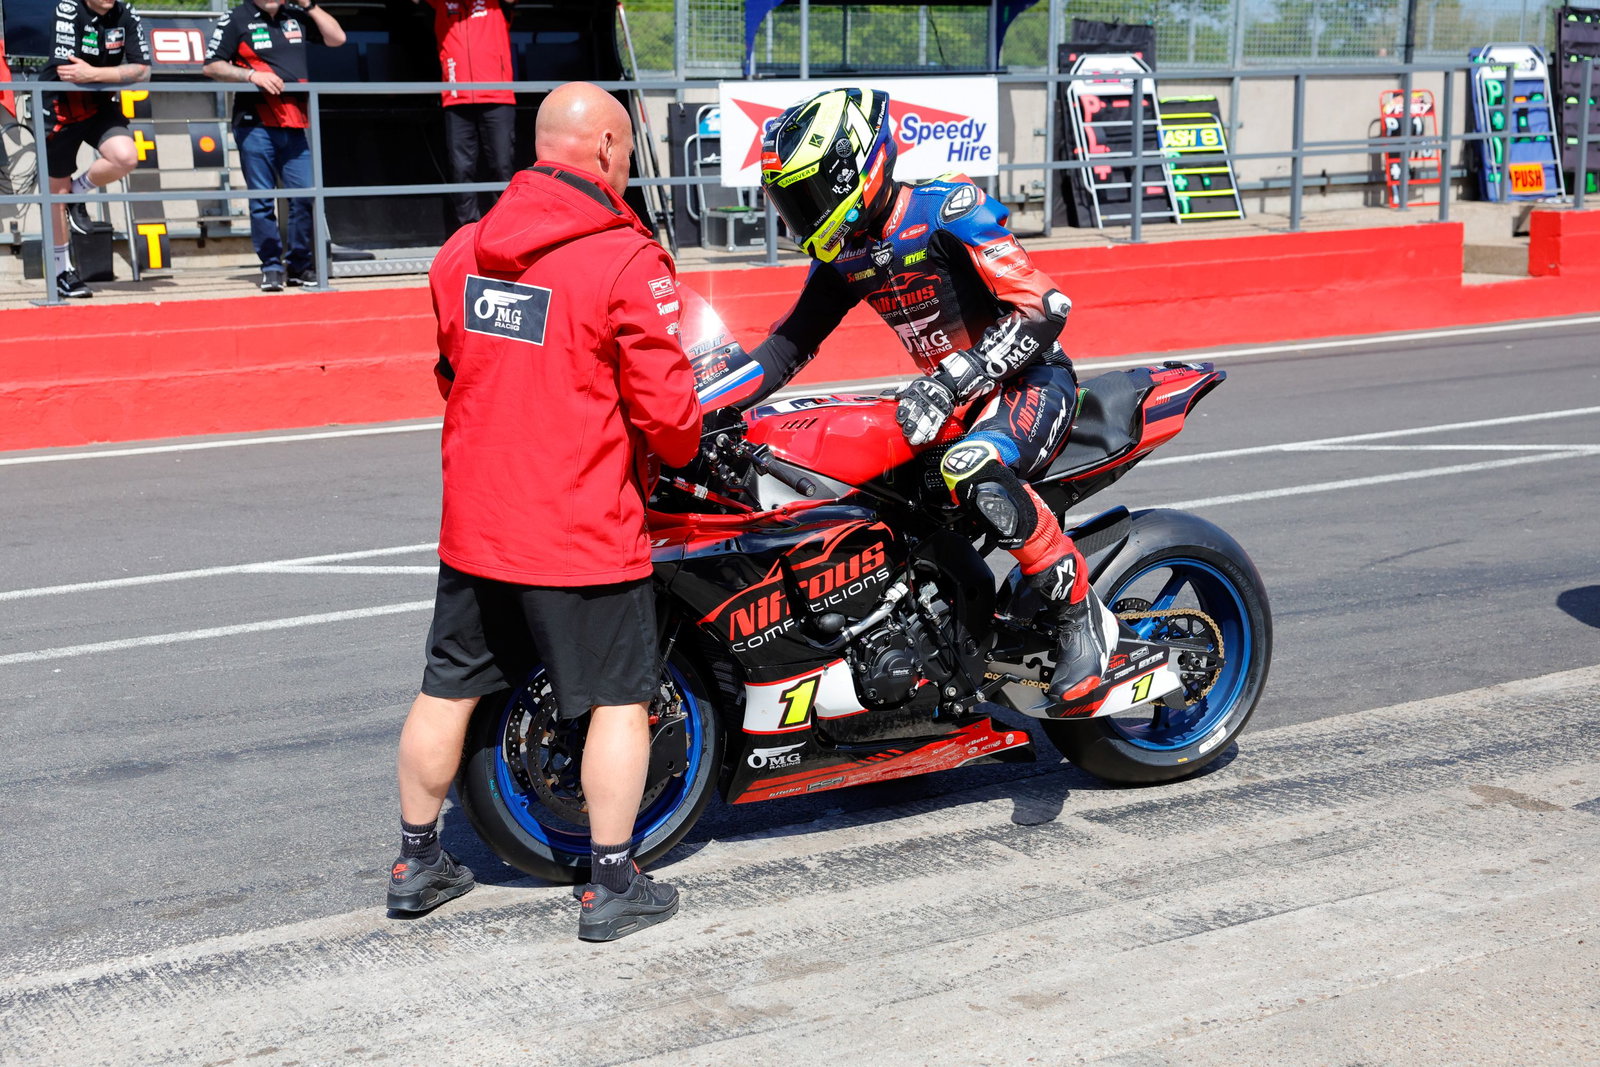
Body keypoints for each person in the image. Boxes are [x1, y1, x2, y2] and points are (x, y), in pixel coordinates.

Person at [389, 82, 701, 942]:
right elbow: (671, 419)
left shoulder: (460, 253)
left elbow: (455, 373)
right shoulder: (625, 259)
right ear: (604, 148)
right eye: (628, 150)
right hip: (581, 529)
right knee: (618, 701)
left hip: (479, 524)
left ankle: (417, 860)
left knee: (445, 688)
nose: (629, 166)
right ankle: (611, 882)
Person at [737, 87, 1119, 707]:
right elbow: (785, 348)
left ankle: (1080, 612)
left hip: (1029, 382)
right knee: (870, 490)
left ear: (854, 170)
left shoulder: (947, 208)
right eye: (788, 201)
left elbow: (1047, 307)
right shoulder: (846, 253)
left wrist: (952, 379)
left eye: (806, 195)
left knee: (970, 466)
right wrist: (704, 399)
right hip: (951, 401)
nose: (798, 215)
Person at [202, 0, 345, 292]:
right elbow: (212, 66)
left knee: (305, 196)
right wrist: (252, 75)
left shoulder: (296, 15)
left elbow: (338, 39)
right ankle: (270, 267)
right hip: (255, 124)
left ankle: (298, 266)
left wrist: (311, 5)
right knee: (263, 200)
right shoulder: (236, 18)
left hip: (294, 124)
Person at [40, 0, 150, 299]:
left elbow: (142, 70)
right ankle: (62, 271)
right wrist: (108, 73)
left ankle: (79, 191)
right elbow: (69, 71)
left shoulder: (125, 11)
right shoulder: (67, 8)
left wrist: (96, 75)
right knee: (55, 196)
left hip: (100, 103)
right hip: (59, 105)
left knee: (126, 156)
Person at [413, 0, 517, 230]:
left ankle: (502, 229)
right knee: (461, 169)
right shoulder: (441, 4)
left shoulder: (495, 4)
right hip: (456, 97)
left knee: (502, 167)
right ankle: (467, 231)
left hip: (497, 97)